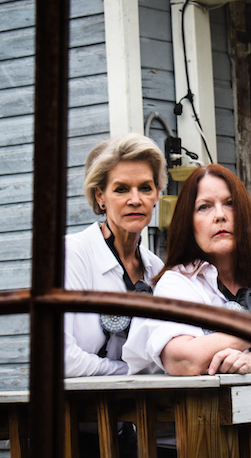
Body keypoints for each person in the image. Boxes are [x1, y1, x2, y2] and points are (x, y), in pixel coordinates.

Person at [122, 164, 251, 377]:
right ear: (188, 223)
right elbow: (184, 361)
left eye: (230, 204)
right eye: (204, 206)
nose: (220, 215)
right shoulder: (178, 283)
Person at [64, 133, 167, 378]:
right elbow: (63, 360)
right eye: (121, 189)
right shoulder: (73, 254)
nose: (135, 200)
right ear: (100, 197)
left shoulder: (155, 268)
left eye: (145, 188)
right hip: (81, 412)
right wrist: (131, 373)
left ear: (157, 195)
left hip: (143, 412)